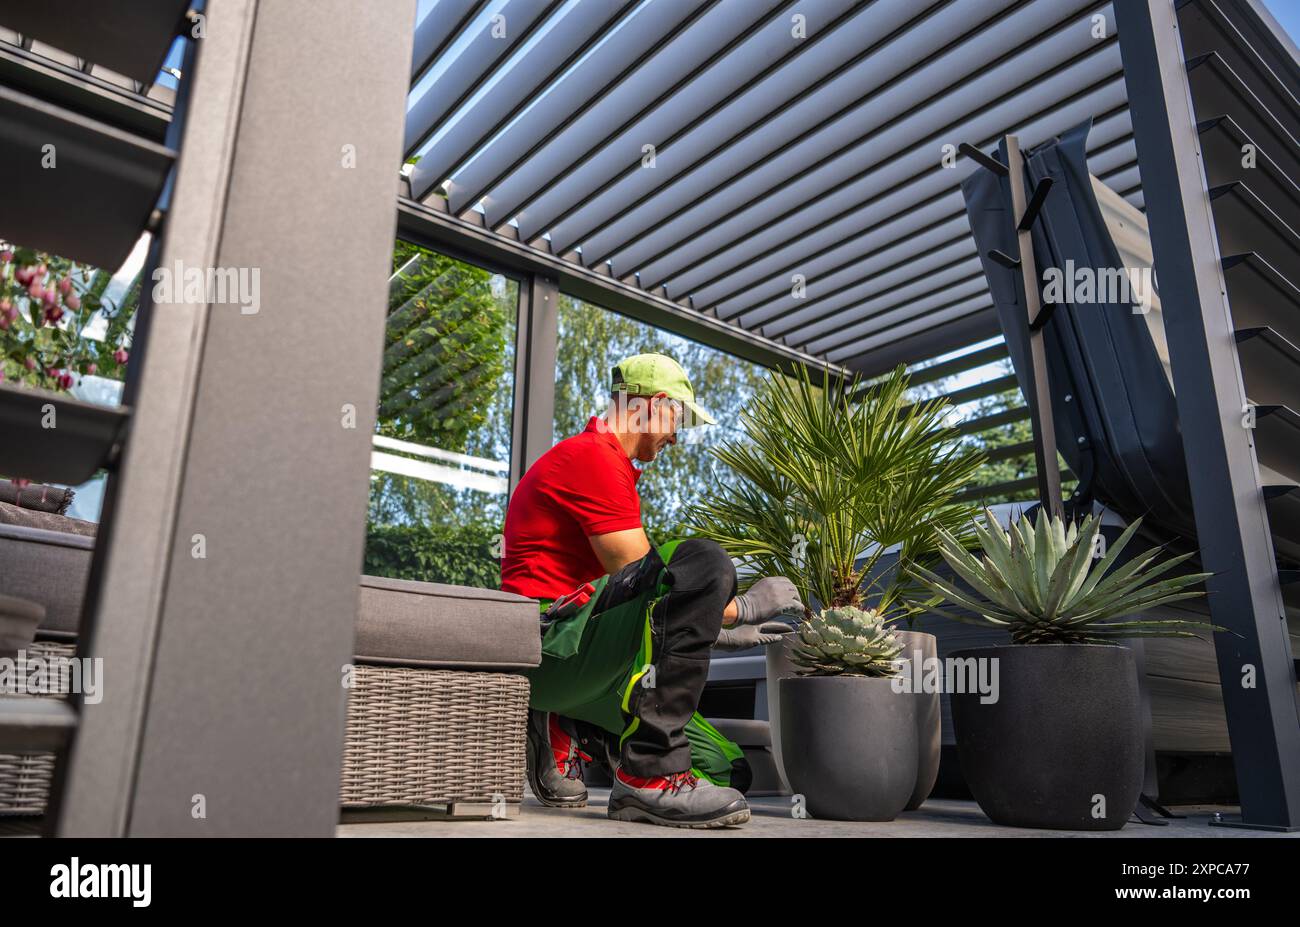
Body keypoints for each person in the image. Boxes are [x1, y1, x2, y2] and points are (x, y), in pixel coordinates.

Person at [500, 353, 803, 828]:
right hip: (548, 649)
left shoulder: (612, 465)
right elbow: (652, 584)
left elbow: (641, 600)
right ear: (655, 405)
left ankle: (578, 726)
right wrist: (738, 610)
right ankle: (641, 775)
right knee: (701, 561)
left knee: (726, 770)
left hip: (590, 651)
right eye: (677, 418)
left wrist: (712, 627)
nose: (676, 435)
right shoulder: (592, 458)